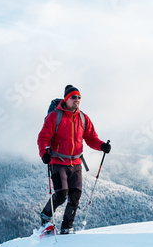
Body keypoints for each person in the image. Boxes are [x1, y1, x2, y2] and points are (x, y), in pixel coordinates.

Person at [37, 84, 111, 233]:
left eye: (79, 97)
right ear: (66, 99)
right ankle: (46, 216)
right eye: (73, 97)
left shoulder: (83, 118)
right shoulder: (55, 116)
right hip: (58, 162)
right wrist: (44, 153)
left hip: (76, 163)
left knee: (75, 195)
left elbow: (91, 138)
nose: (76, 100)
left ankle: (67, 227)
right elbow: (43, 137)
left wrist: (102, 146)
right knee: (61, 194)